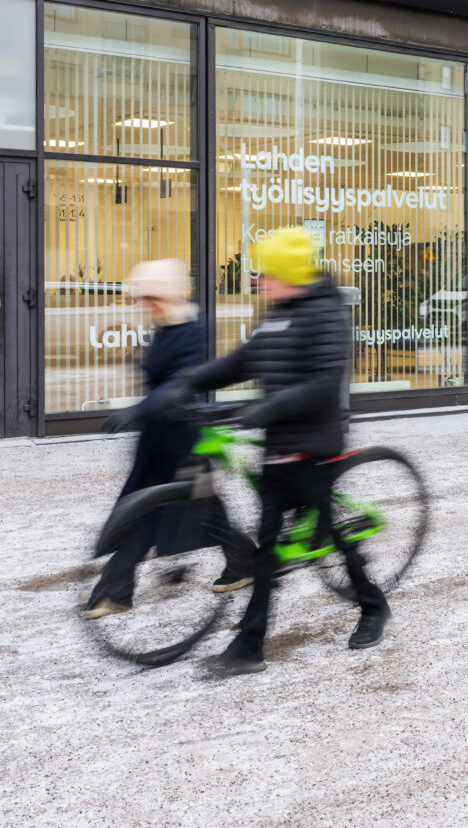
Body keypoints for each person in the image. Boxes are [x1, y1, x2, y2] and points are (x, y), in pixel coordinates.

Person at [159, 226, 387, 676]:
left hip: (315, 447)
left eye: (267, 273)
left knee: (334, 537)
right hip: (278, 446)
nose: (259, 281)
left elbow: (324, 384)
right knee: (267, 552)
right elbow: (244, 360)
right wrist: (187, 382)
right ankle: (249, 648)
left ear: (289, 273)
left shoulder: (325, 314)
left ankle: (374, 607)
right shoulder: (278, 313)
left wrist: (267, 409)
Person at [82, 260, 250, 619]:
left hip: (184, 440)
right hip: (158, 439)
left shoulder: (193, 330)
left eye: (152, 298)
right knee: (186, 508)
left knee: (153, 511)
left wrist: (138, 409)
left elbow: (180, 384)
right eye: (143, 298)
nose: (146, 305)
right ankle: (244, 562)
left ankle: (114, 591)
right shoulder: (163, 327)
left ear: (170, 295)